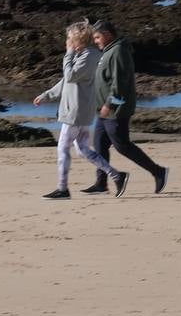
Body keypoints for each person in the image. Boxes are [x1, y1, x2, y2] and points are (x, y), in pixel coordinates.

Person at [32, 20, 127, 200]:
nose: (67, 41)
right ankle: (117, 175)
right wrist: (46, 95)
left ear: (78, 38)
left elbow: (70, 75)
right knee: (82, 148)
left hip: (76, 111)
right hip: (77, 110)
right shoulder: (83, 54)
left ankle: (62, 188)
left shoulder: (89, 56)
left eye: (69, 38)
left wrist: (68, 53)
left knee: (63, 148)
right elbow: (66, 81)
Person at [82, 19, 168, 196]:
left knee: (122, 145)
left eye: (97, 37)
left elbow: (120, 83)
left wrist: (109, 104)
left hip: (116, 109)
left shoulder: (119, 51)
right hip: (104, 109)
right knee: (99, 144)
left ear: (107, 35)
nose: (95, 41)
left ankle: (158, 172)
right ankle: (101, 183)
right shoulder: (108, 50)